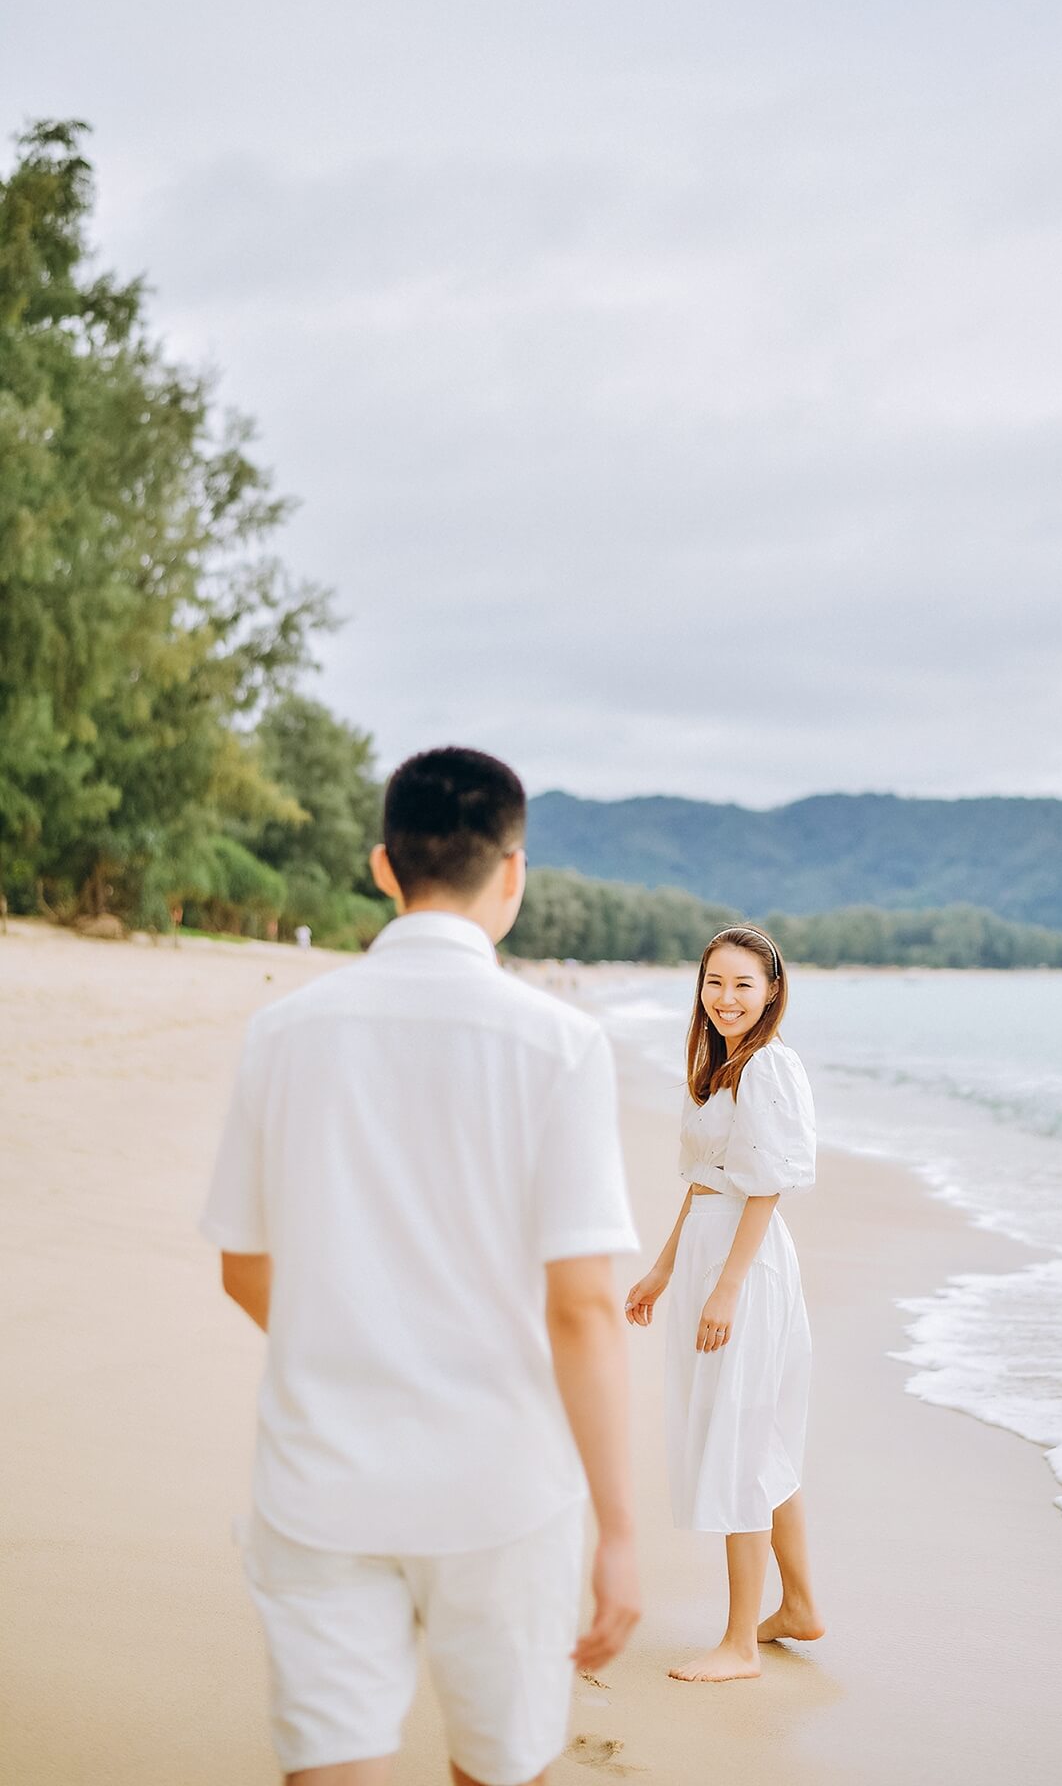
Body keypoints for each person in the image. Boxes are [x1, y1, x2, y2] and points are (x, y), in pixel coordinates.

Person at [199, 746, 641, 1786]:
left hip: (319, 1475)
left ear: (382, 866)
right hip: (500, 1481)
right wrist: (619, 1529)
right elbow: (583, 1310)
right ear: (513, 872)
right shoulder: (561, 1044)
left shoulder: (282, 1032)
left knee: (331, 1766)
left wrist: (360, 1338)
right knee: (500, 1767)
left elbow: (240, 1264)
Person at [624, 925, 823, 1683]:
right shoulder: (718, 1065)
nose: (726, 998)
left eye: (743, 984)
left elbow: (764, 1185)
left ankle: (740, 1643)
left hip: (746, 1262)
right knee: (757, 1438)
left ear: (772, 990)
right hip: (712, 1248)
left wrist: (728, 1286)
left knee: (741, 1439)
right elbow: (705, 1181)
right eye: (715, 982)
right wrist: (662, 1270)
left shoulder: (769, 1067)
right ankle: (799, 1606)